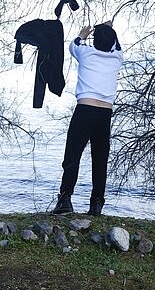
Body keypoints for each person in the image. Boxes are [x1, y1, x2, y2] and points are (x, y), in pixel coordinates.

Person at [52, 21, 124, 216]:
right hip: (105, 114)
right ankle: (96, 204)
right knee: (100, 160)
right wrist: (108, 29)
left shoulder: (85, 53)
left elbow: (73, 44)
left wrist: (84, 34)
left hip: (85, 109)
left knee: (72, 155)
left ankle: (65, 199)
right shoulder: (117, 58)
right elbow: (117, 44)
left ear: (94, 40)